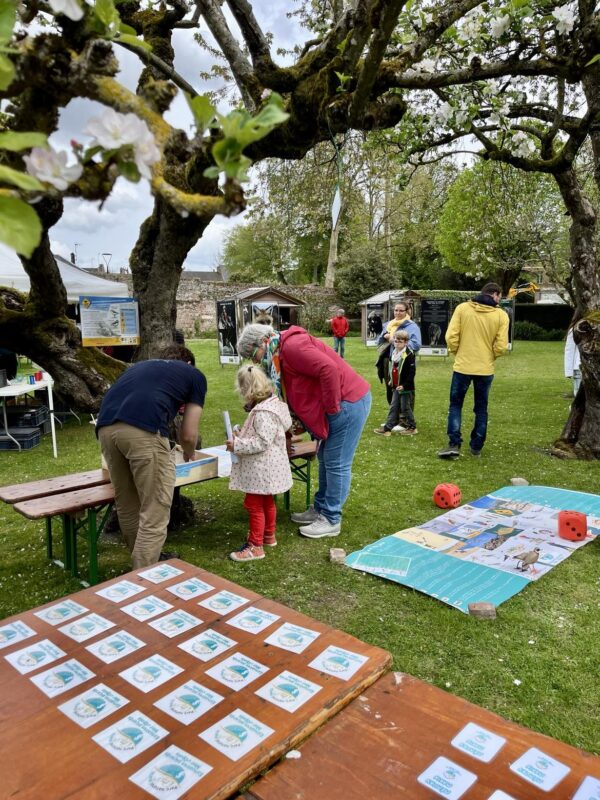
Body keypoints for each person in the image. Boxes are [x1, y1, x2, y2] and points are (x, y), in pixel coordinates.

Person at [236, 323, 371, 539]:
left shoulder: (292, 347)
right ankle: (320, 509)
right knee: (326, 458)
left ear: (262, 342)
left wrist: (332, 409)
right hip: (341, 404)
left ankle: (331, 519)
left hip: (348, 403)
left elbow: (329, 370)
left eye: (253, 355)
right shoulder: (281, 352)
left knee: (336, 462)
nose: (256, 361)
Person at [96, 345, 206, 568]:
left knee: (128, 504)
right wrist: (189, 451)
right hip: (143, 432)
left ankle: (145, 560)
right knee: (155, 508)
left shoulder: (139, 367)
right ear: (189, 364)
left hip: (105, 430)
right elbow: (188, 433)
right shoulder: (195, 376)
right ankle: (143, 579)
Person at [226, 365, 293, 562]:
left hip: (261, 469)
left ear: (246, 390)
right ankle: (268, 535)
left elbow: (262, 442)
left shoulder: (263, 412)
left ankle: (256, 546)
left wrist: (237, 444)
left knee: (254, 504)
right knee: (267, 501)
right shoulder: (274, 404)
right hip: (270, 468)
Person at [438, 283, 509, 459]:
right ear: (495, 295)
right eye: (499, 296)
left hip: (462, 366)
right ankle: (476, 446)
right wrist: (490, 356)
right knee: (481, 408)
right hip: (485, 369)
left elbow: (450, 336)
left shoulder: (462, 309)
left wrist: (457, 352)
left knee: (456, 405)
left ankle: (454, 443)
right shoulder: (501, 315)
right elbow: (501, 346)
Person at [373, 329, 417, 436]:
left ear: (406, 342)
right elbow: (393, 369)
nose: (397, 343)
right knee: (394, 406)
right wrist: (392, 381)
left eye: (400, 341)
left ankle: (412, 427)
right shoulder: (394, 353)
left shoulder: (409, 355)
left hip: (405, 388)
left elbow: (411, 373)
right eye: (396, 341)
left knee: (405, 407)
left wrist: (404, 385)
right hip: (396, 386)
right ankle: (388, 427)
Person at [564, 322, 582, 397]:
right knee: (579, 397)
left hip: (594, 368)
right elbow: (569, 350)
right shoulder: (574, 329)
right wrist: (568, 371)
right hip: (579, 367)